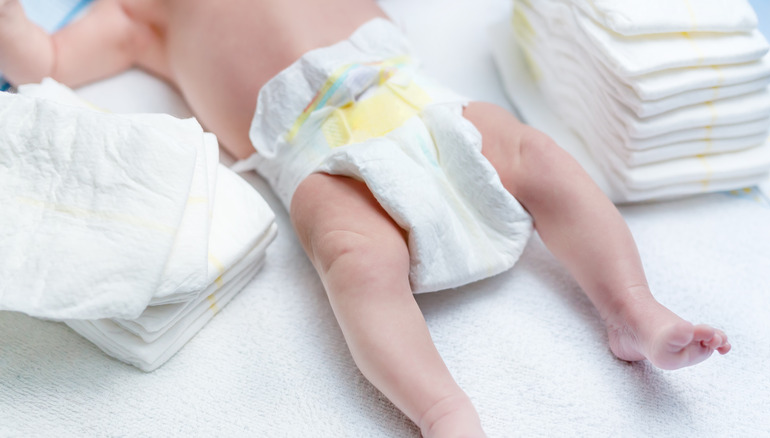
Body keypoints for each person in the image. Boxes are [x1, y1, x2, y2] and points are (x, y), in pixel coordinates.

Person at [0, 1, 731, 436]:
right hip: (314, 151)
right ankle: (442, 410)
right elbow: (44, 59)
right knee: (355, 259)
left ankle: (633, 309)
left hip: (418, 94)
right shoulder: (137, 16)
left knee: (540, 159)